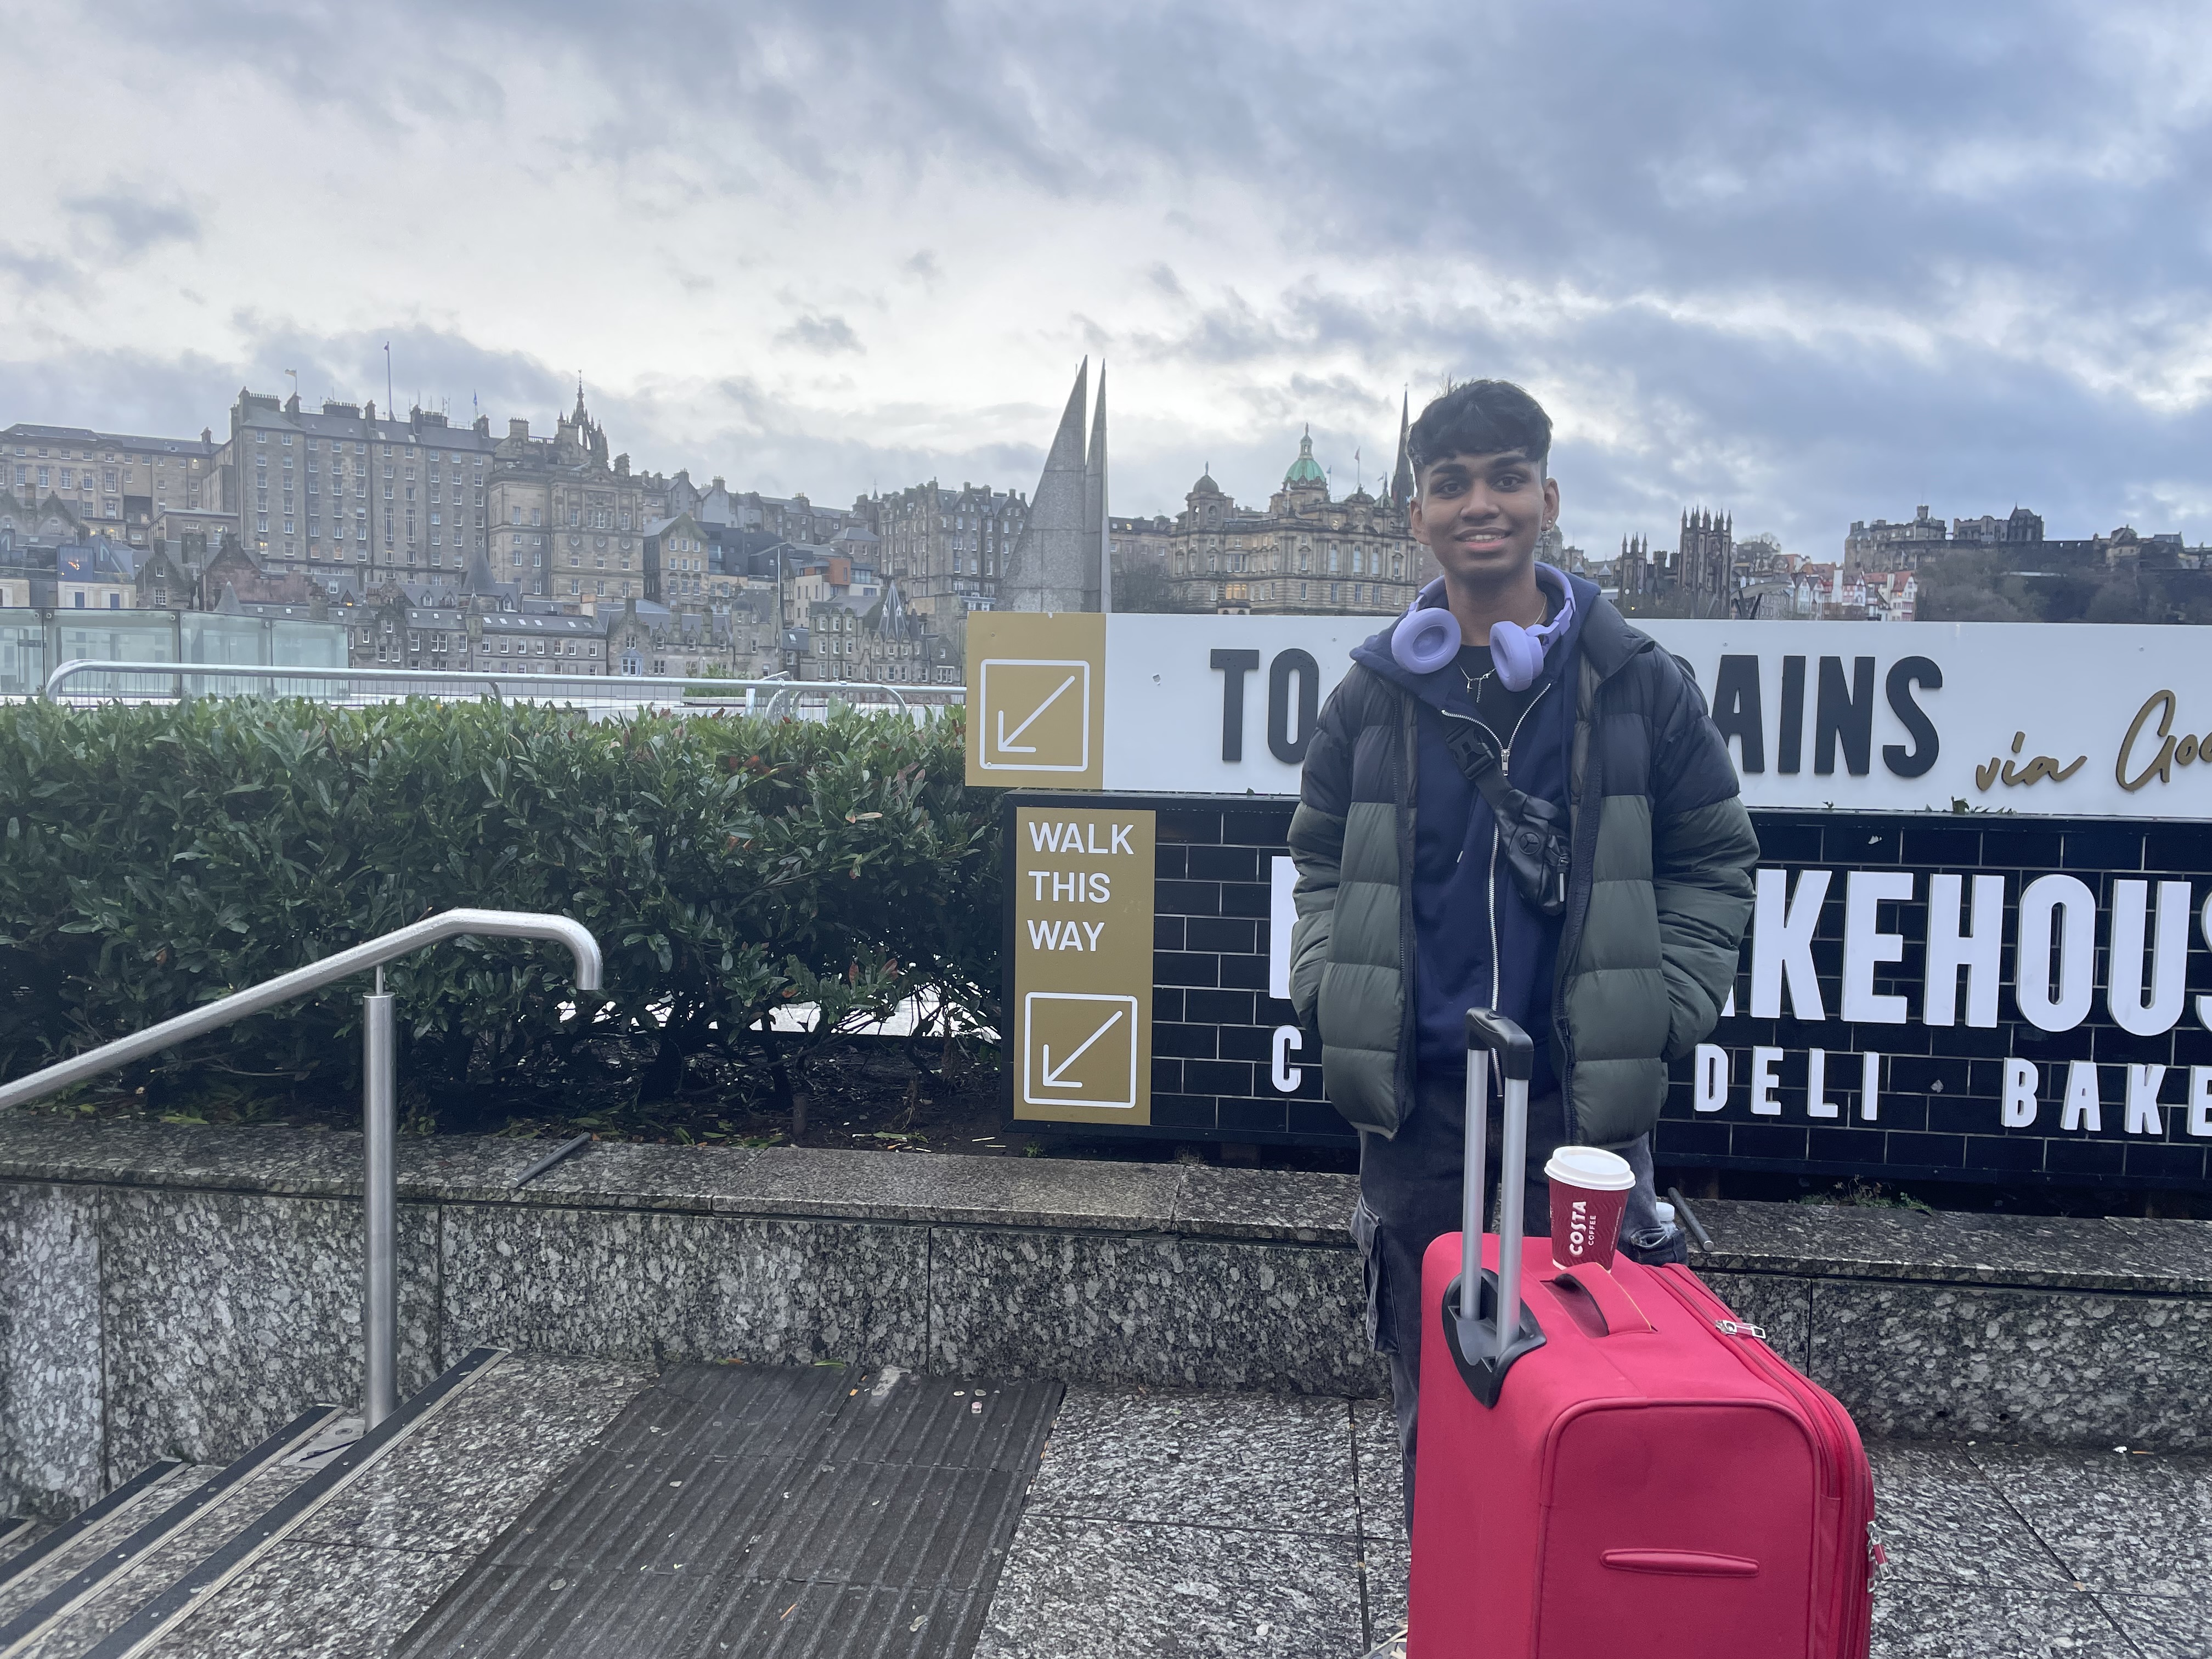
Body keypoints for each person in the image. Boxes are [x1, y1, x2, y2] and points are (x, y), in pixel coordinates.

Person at [1286, 380, 1757, 1555]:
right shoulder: (1371, 698)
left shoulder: (1638, 682)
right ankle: (1451, 1621)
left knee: (1602, 1412)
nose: (1479, 505)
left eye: (1505, 478)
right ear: (1419, 516)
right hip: (1423, 1121)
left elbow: (1715, 858)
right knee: (1434, 1415)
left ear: (1549, 496)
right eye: (1450, 484)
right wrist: (1330, 989)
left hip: (1582, 1120)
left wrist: (1664, 1010)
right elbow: (1317, 864)